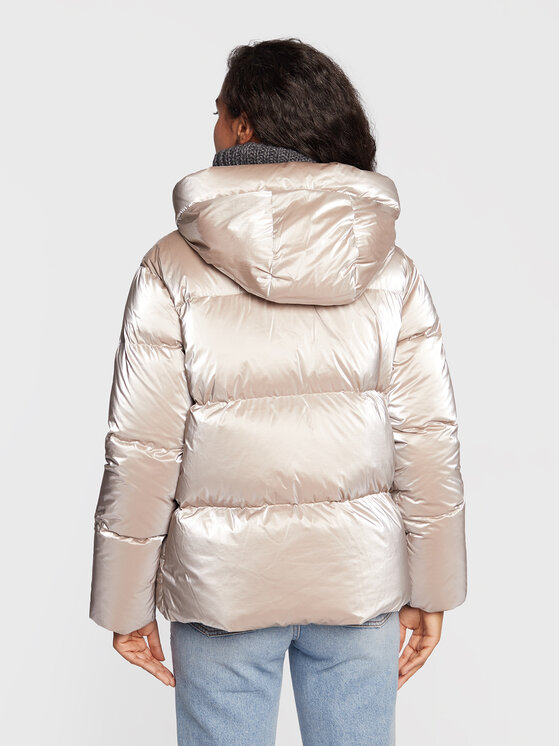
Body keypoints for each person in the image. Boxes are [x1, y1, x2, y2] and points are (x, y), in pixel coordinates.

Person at [88, 37, 467, 746]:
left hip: (223, 586)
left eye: (218, 112)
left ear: (243, 128)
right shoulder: (391, 268)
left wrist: (125, 600)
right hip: (357, 579)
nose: (212, 128)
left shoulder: (172, 266)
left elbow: (142, 447)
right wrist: (433, 585)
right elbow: (428, 440)